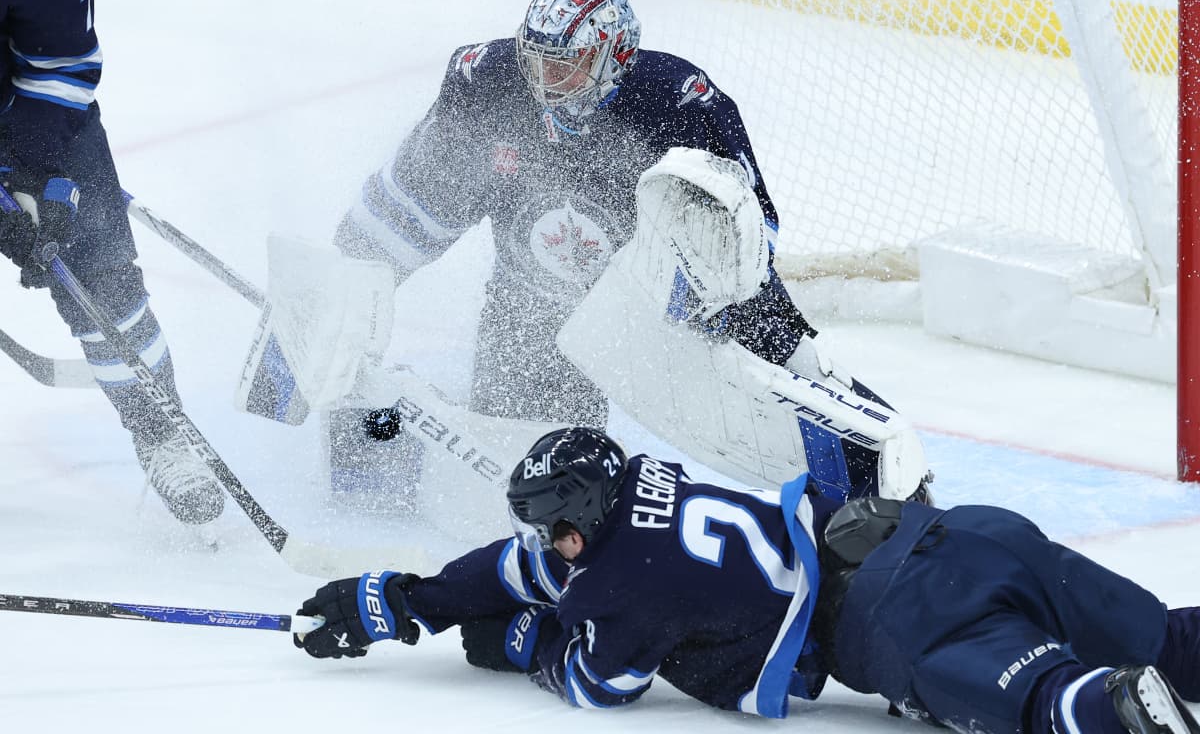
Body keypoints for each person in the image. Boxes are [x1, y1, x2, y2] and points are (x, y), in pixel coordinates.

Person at [327, 0, 911, 503]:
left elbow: (747, 244)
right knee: (539, 488)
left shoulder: (679, 104)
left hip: (668, 306)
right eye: (536, 61)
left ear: (614, 56)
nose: (544, 82)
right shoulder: (489, 83)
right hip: (532, 305)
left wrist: (710, 315)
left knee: (785, 384)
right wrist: (340, 285)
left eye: (565, 65)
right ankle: (386, 427)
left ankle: (877, 477)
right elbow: (412, 201)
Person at [294, 427, 1200, 734]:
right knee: (1163, 636)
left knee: (1037, 698)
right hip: (960, 534)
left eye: (552, 526)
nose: (543, 543)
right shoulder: (644, 487)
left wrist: (518, 643)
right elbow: (520, 567)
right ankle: (1156, 671)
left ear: (580, 512)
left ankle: (1117, 708)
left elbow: (598, 682)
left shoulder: (618, 586)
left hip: (896, 623)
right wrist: (403, 600)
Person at [0, 0, 222, 524]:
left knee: (98, 272)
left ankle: (161, 431)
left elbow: (60, 63)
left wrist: (33, 171)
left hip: (20, 109)